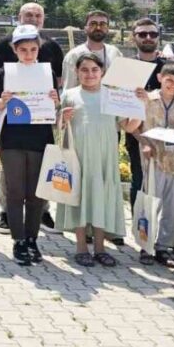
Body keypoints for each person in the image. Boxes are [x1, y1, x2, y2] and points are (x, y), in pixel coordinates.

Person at [0, 2, 65, 234]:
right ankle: (9, 218)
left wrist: (55, 100)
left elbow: (57, 89)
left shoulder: (51, 53)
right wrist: (0, 106)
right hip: (13, 130)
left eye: (38, 15)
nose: (28, 53)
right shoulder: (2, 52)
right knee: (14, 183)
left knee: (37, 184)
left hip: (39, 132)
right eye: (28, 14)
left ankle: (39, 219)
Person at [58, 53, 143, 267]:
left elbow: (128, 127)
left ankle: (100, 248)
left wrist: (140, 107)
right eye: (84, 70)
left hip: (105, 157)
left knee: (101, 198)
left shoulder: (113, 95)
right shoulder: (69, 94)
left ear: (102, 72)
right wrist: (62, 118)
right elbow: (57, 126)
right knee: (78, 197)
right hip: (78, 156)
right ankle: (81, 247)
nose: (90, 74)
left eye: (94, 70)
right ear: (76, 72)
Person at [136, 61, 174, 268]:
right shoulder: (146, 99)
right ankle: (146, 245)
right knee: (151, 204)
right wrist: (144, 143)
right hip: (153, 160)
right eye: (169, 80)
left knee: (172, 207)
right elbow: (134, 126)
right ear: (160, 78)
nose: (173, 85)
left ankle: (163, 247)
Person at [123, 18, 165, 209]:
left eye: (153, 34)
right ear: (134, 38)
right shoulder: (126, 68)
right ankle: (138, 225)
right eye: (142, 34)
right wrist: (144, 142)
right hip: (137, 138)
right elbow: (123, 112)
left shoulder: (168, 68)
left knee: (164, 186)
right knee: (139, 183)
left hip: (165, 138)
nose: (148, 37)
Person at [61, 10, 122, 90]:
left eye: (103, 24)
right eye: (93, 24)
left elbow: (120, 86)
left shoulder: (115, 53)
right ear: (85, 29)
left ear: (107, 29)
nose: (98, 28)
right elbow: (69, 90)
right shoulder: (74, 55)